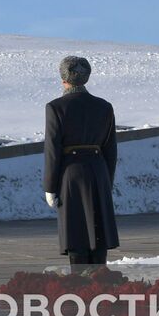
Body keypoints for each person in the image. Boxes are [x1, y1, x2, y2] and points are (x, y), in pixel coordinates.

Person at [42, 56, 120, 266]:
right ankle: (101, 283)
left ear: (64, 79)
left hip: (72, 174)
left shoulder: (56, 107)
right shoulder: (104, 107)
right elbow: (110, 149)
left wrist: (50, 187)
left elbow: (52, 150)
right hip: (98, 170)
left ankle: (81, 287)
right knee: (99, 232)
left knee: (75, 233)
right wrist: (107, 181)